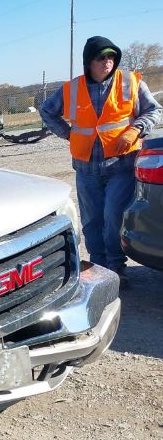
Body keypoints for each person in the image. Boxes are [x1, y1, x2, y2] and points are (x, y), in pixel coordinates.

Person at [39, 36, 162, 287]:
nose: (107, 61)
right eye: (101, 57)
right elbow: (47, 110)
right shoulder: (72, 88)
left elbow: (154, 110)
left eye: (111, 56)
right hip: (86, 168)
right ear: (89, 62)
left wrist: (135, 130)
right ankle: (98, 267)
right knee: (92, 219)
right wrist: (67, 133)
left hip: (122, 165)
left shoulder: (130, 82)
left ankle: (116, 267)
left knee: (113, 215)